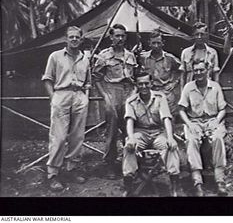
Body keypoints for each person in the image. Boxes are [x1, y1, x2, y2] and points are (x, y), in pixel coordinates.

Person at [42, 26, 91, 191]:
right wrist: (53, 98)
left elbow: (88, 81)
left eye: (77, 37)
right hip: (61, 96)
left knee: (77, 137)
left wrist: (85, 97)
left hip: (79, 97)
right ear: (66, 39)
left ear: (81, 39)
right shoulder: (55, 56)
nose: (75, 39)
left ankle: (72, 169)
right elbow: (47, 79)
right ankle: (53, 174)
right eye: (71, 37)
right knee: (59, 137)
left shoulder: (85, 58)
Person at [122, 72, 180, 197]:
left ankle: (173, 185)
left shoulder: (160, 98)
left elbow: (166, 118)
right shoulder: (131, 101)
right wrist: (131, 138)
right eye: (140, 84)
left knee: (170, 147)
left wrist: (170, 137)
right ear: (136, 85)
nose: (143, 86)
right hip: (140, 132)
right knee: (129, 147)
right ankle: (128, 184)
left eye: (146, 83)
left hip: (158, 132)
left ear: (151, 83)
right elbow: (130, 121)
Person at [92, 24, 137, 178]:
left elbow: (135, 77)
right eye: (117, 35)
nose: (120, 39)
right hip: (112, 91)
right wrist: (105, 96)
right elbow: (96, 78)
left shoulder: (130, 56)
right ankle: (110, 164)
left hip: (129, 93)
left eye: (123, 36)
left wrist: (133, 95)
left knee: (130, 129)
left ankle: (129, 164)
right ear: (111, 37)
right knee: (111, 131)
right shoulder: (104, 56)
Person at [179, 61, 228, 197]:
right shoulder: (189, 87)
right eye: (196, 70)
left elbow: (223, 109)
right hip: (194, 121)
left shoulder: (215, 86)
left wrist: (217, 121)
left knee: (218, 138)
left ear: (208, 70)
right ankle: (197, 182)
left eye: (201, 70)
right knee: (192, 140)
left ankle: (220, 181)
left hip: (212, 119)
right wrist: (189, 124)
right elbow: (182, 110)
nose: (199, 73)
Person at [138, 29, 181, 119]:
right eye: (153, 43)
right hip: (150, 91)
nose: (156, 46)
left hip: (166, 91)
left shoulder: (170, 58)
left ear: (162, 43)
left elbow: (181, 70)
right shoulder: (143, 57)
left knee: (169, 117)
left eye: (158, 43)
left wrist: (174, 82)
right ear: (149, 43)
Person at [180, 22, 220, 90]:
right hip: (191, 89)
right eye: (197, 34)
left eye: (202, 34)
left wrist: (216, 91)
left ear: (206, 35)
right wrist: (183, 94)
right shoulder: (186, 52)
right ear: (193, 35)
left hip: (207, 90)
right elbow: (183, 76)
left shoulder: (212, 52)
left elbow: (215, 75)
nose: (199, 37)